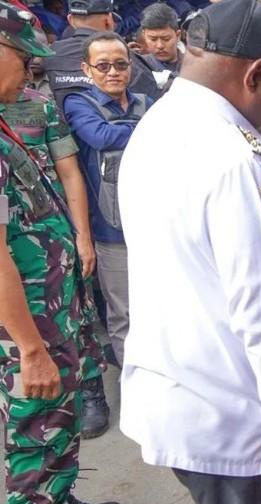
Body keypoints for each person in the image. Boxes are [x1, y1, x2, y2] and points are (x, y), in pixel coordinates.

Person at [117, 1, 261, 504]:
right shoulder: (238, 163)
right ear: (256, 74)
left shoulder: (158, 125)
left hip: (183, 388)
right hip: (240, 413)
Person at [0, 5, 124, 504]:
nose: (31, 70)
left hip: (52, 299)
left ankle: (59, 501)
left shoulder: (16, 115)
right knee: (33, 422)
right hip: (25, 318)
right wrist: (29, 349)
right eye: (23, 57)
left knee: (59, 416)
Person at [63, 31, 153, 437]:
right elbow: (99, 136)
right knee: (124, 316)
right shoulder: (77, 104)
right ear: (86, 69)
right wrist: (148, 129)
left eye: (120, 64)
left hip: (151, 222)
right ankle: (140, 393)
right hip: (110, 229)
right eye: (104, 65)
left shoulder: (142, 102)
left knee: (158, 306)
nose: (114, 72)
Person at [44, 0, 162, 109]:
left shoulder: (52, 52)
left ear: (70, 20)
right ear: (108, 21)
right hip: (114, 128)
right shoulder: (119, 55)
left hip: (65, 129)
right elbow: (156, 100)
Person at [139, 2, 183, 73]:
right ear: (144, 36)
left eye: (166, 39)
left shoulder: (194, 65)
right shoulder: (137, 67)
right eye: (153, 39)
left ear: (178, 35)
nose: (160, 45)